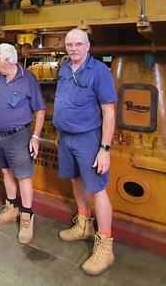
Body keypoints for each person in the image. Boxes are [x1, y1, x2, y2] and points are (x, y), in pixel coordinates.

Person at [53, 28, 117, 276]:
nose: (73, 49)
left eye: (79, 44)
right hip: (66, 137)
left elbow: (108, 111)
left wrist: (104, 149)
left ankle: (105, 246)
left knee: (98, 189)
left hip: (89, 138)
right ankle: (83, 224)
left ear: (87, 47)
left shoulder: (99, 71)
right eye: (69, 45)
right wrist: (60, 134)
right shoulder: (65, 67)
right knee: (75, 179)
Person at [0, 43, 45, 244]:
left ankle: (27, 216)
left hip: (19, 136)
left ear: (7, 60)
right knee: (5, 171)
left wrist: (35, 137)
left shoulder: (28, 79)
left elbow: (40, 109)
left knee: (23, 176)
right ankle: (12, 207)